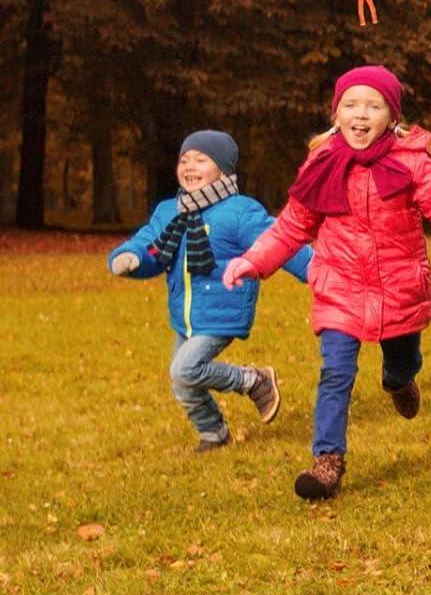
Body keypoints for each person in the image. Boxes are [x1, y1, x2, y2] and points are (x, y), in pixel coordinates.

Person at [224, 66, 431, 500]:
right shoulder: (322, 163)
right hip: (340, 286)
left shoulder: (412, 163)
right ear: (337, 114)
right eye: (351, 104)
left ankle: (399, 380)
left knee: (401, 362)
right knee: (335, 372)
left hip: (399, 288)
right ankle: (327, 463)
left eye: (373, 105)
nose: (360, 113)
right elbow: (291, 227)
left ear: (391, 117)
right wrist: (252, 261)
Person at [108, 130, 310, 451]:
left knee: (185, 369)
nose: (190, 166)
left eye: (201, 160)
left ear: (224, 170)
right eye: (184, 159)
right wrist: (130, 257)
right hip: (184, 314)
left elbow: (279, 243)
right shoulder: (169, 211)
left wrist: (318, 271)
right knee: (183, 383)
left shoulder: (240, 212)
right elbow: (151, 247)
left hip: (223, 311)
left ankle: (252, 380)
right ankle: (214, 434)